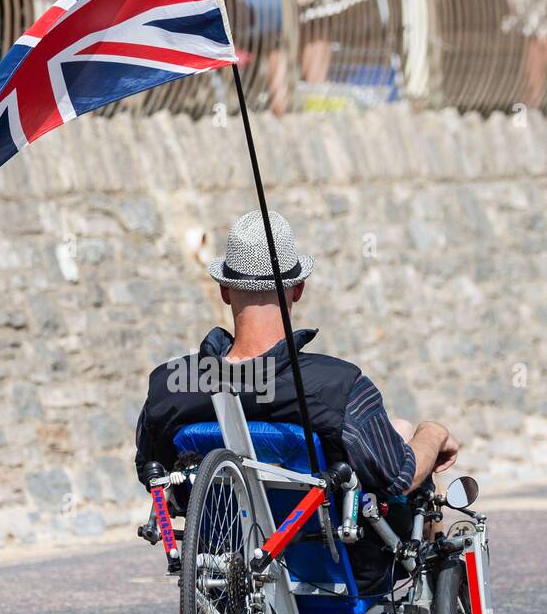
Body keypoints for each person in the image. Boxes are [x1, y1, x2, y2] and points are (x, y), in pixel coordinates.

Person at [133, 210, 459, 591]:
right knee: (404, 436)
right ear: (298, 289)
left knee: (391, 432)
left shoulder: (171, 386)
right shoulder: (336, 385)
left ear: (224, 291)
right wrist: (433, 433)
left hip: (227, 557)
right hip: (343, 565)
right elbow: (398, 479)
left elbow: (152, 472)